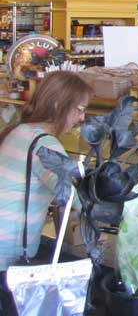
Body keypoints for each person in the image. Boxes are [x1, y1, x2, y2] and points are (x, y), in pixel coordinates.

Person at [0, 72, 92, 314]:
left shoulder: (18, 131)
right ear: (57, 105)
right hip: (6, 256)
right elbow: (78, 199)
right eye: (79, 109)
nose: (82, 118)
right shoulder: (45, 144)